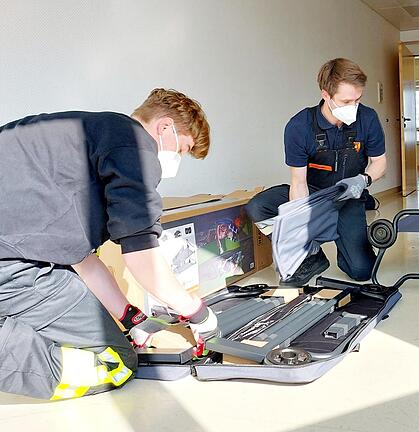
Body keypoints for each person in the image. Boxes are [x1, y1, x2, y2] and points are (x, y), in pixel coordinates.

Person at [0, 89, 220, 400]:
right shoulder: (136, 145)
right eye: (182, 150)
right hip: (11, 268)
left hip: (13, 258)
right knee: (118, 362)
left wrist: (133, 318)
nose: (176, 161)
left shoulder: (84, 139)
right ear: (164, 127)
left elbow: (82, 260)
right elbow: (144, 259)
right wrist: (198, 313)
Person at [245, 58, 387, 287]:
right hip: (314, 195)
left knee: (362, 271)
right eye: (346, 101)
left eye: (358, 99)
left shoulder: (368, 118)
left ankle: (347, 244)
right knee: (258, 207)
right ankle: (311, 257)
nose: (354, 106)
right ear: (326, 95)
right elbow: (298, 182)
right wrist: (298, 231)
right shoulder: (300, 126)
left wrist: (364, 179)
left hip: (349, 197)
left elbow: (379, 163)